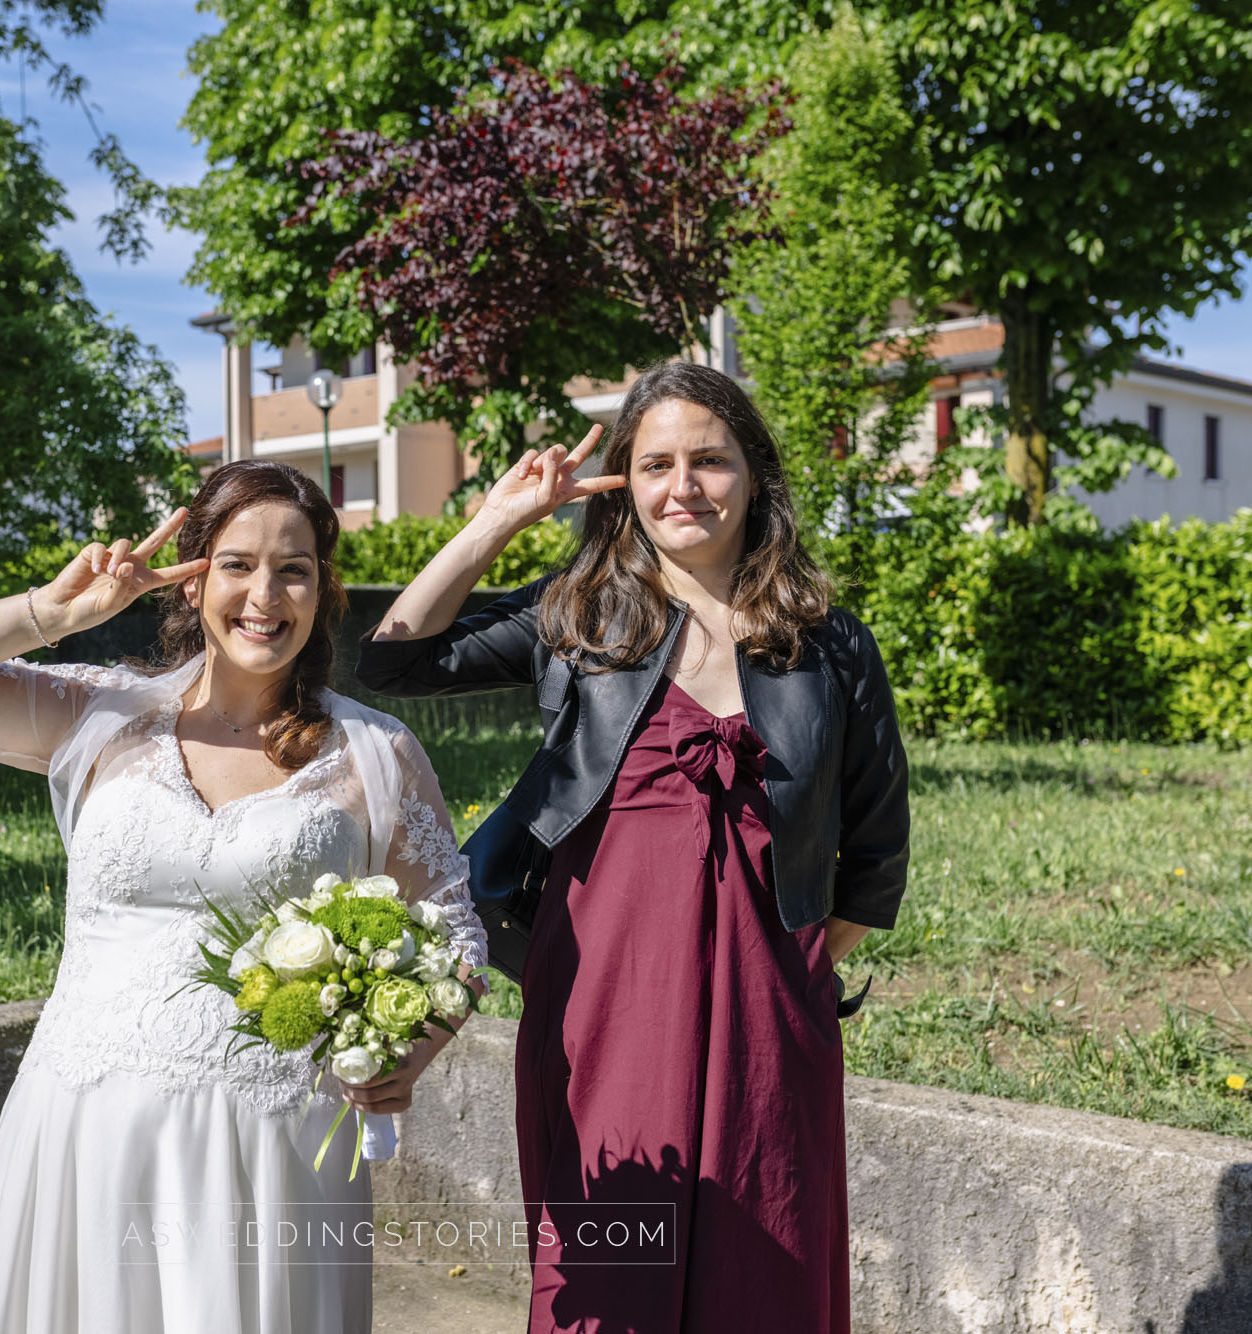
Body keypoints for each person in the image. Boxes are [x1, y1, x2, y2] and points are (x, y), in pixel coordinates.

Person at [0, 460, 487, 1333]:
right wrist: (53, 613)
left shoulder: (374, 753)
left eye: (294, 568)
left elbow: (455, 930)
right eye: (236, 563)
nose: (264, 594)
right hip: (81, 1129)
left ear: (323, 589)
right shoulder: (103, 713)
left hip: (269, 1150)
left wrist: (407, 1054)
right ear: (191, 580)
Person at [355, 359, 910, 1333]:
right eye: (654, 463)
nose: (681, 486)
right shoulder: (572, 616)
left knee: (762, 1260)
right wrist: (498, 520)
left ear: (754, 476)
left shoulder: (828, 643)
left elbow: (874, 850)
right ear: (622, 483)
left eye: (709, 460)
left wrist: (787, 970)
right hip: (602, 995)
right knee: (611, 1255)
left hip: (768, 1006)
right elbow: (395, 657)